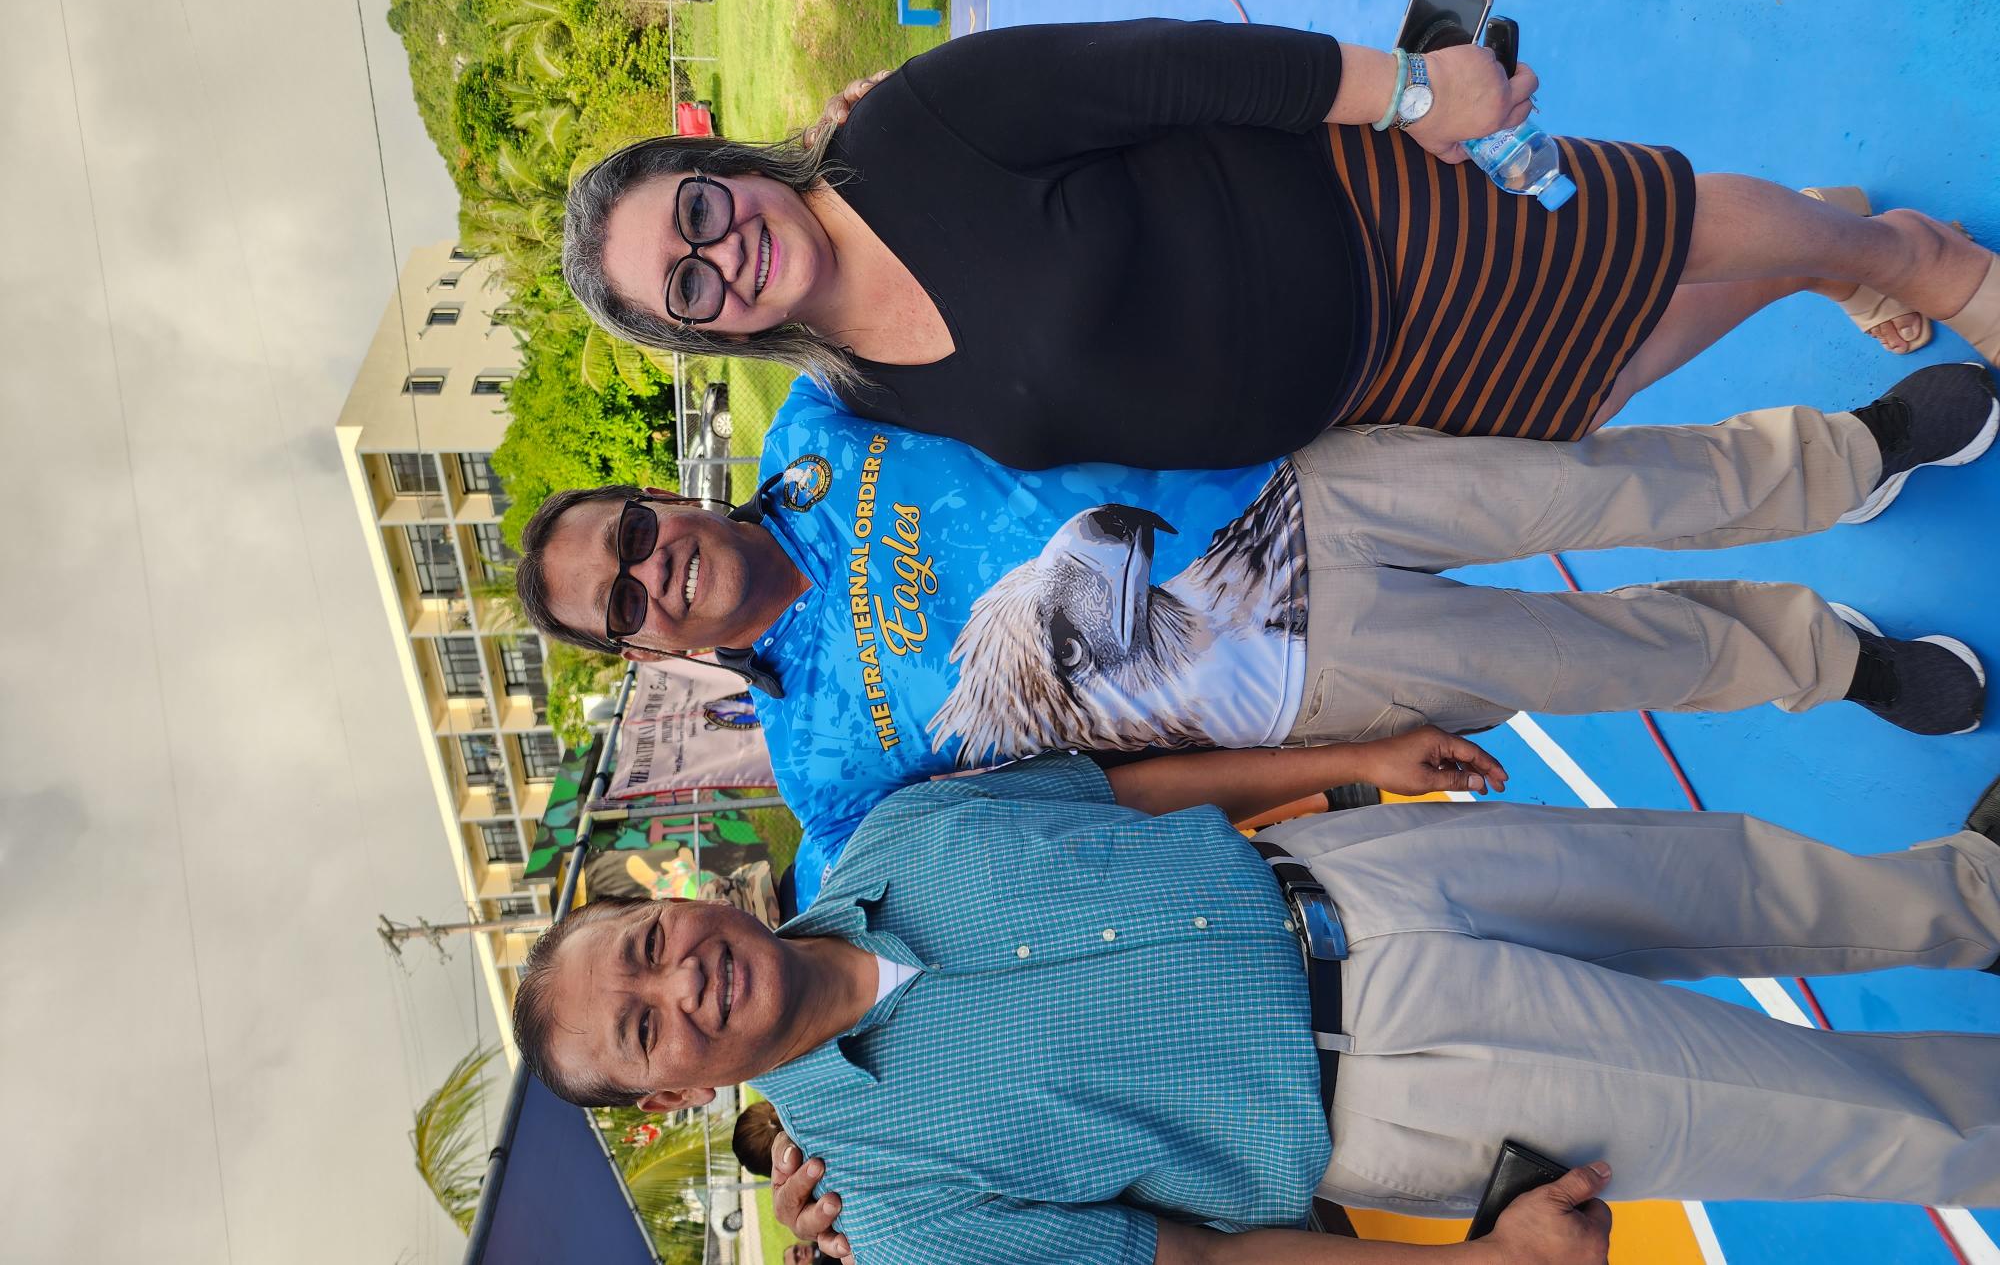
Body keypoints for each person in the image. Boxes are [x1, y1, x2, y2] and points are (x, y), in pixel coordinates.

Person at [514, 362, 1995, 898]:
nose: (657, 568)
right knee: (1614, 663)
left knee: (1608, 485)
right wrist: (813, 1156)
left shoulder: (814, 412)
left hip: (1300, 489)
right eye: (624, 599)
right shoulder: (822, 778)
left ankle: (1853, 452)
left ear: (657, 493)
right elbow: (919, 922)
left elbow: (935, 290)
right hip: (1296, 683)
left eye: (633, 531)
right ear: (642, 653)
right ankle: (1832, 659)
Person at [509, 750, 2000, 1264]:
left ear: (669, 897)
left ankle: (1973, 899)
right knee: (1808, 1115)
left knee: (1733, 877)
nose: (677, 978)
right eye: (643, 1025)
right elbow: (1201, 1260)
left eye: (641, 940)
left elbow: (1126, 791)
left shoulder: (891, 839)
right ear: (670, 1097)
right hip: (1388, 1081)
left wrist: (1360, 757)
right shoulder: (895, 1213)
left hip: (1359, 867)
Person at [557, 17, 2000, 471]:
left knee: (1654, 229)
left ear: (718, 163)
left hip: (1387, 223)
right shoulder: (864, 398)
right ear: (705, 332)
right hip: (1372, 399)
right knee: (1600, 384)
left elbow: (1176, 67)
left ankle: (1923, 261)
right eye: (687, 287)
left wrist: (1427, 97)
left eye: (696, 210)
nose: (721, 251)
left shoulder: (927, 125)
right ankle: (1828, 255)